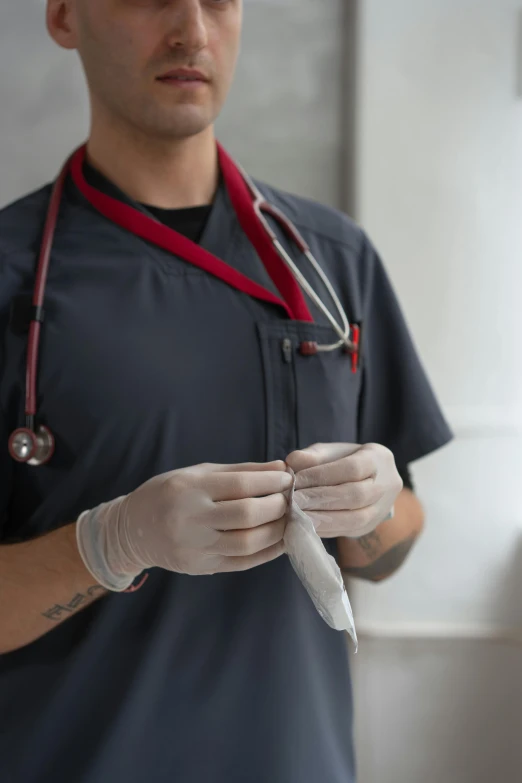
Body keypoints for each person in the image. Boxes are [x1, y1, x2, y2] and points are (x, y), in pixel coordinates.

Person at [0, 2, 452, 782]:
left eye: (218, 0)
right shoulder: (14, 277)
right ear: (66, 15)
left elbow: (395, 540)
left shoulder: (332, 261)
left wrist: (372, 515)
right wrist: (108, 542)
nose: (191, 30)